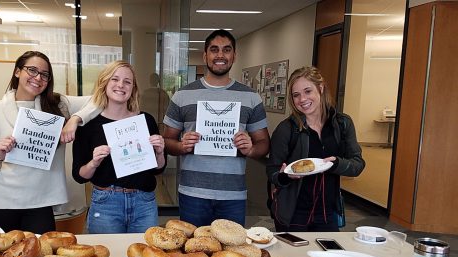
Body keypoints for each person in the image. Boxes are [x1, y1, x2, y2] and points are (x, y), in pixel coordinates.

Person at [0, 51, 99, 235]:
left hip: (40, 204)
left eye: (44, 74)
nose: (38, 78)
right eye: (32, 70)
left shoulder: (57, 105)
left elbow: (98, 100)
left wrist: (74, 120)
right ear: (17, 72)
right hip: (1, 202)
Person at [162, 29, 270, 227]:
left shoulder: (251, 97)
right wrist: (181, 146)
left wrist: (251, 149)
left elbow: (264, 143)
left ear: (234, 56)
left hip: (233, 195)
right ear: (205, 55)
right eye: (214, 50)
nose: (220, 55)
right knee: (194, 253)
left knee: (232, 255)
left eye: (226, 50)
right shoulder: (182, 95)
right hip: (193, 193)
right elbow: (167, 141)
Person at [266, 66, 365, 232]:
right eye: (296, 95)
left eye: (307, 91)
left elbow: (357, 165)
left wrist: (336, 164)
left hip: (327, 213)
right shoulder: (286, 129)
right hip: (293, 213)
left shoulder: (342, 123)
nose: (302, 99)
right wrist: (285, 176)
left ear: (320, 88)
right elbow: (272, 172)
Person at [72, 60, 166, 233]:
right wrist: (93, 162)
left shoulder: (146, 120)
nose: (121, 85)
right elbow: (79, 176)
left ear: (133, 89)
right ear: (105, 83)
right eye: (115, 79)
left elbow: (158, 169)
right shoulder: (88, 125)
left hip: (144, 203)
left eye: (127, 81)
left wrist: (159, 152)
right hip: (106, 203)